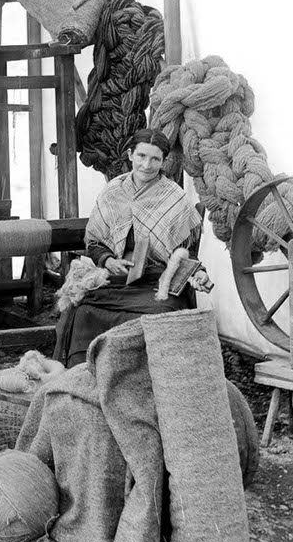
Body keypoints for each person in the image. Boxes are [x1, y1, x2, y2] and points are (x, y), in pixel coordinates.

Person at [56, 128, 213, 367]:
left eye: (155, 159)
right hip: (117, 280)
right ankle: (85, 376)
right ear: (130, 155)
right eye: (141, 156)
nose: (146, 165)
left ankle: (142, 376)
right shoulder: (112, 192)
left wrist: (198, 273)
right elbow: (95, 243)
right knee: (82, 310)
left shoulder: (175, 198)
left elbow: (185, 252)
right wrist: (109, 261)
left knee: (158, 315)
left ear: (164, 161)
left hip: (157, 281)